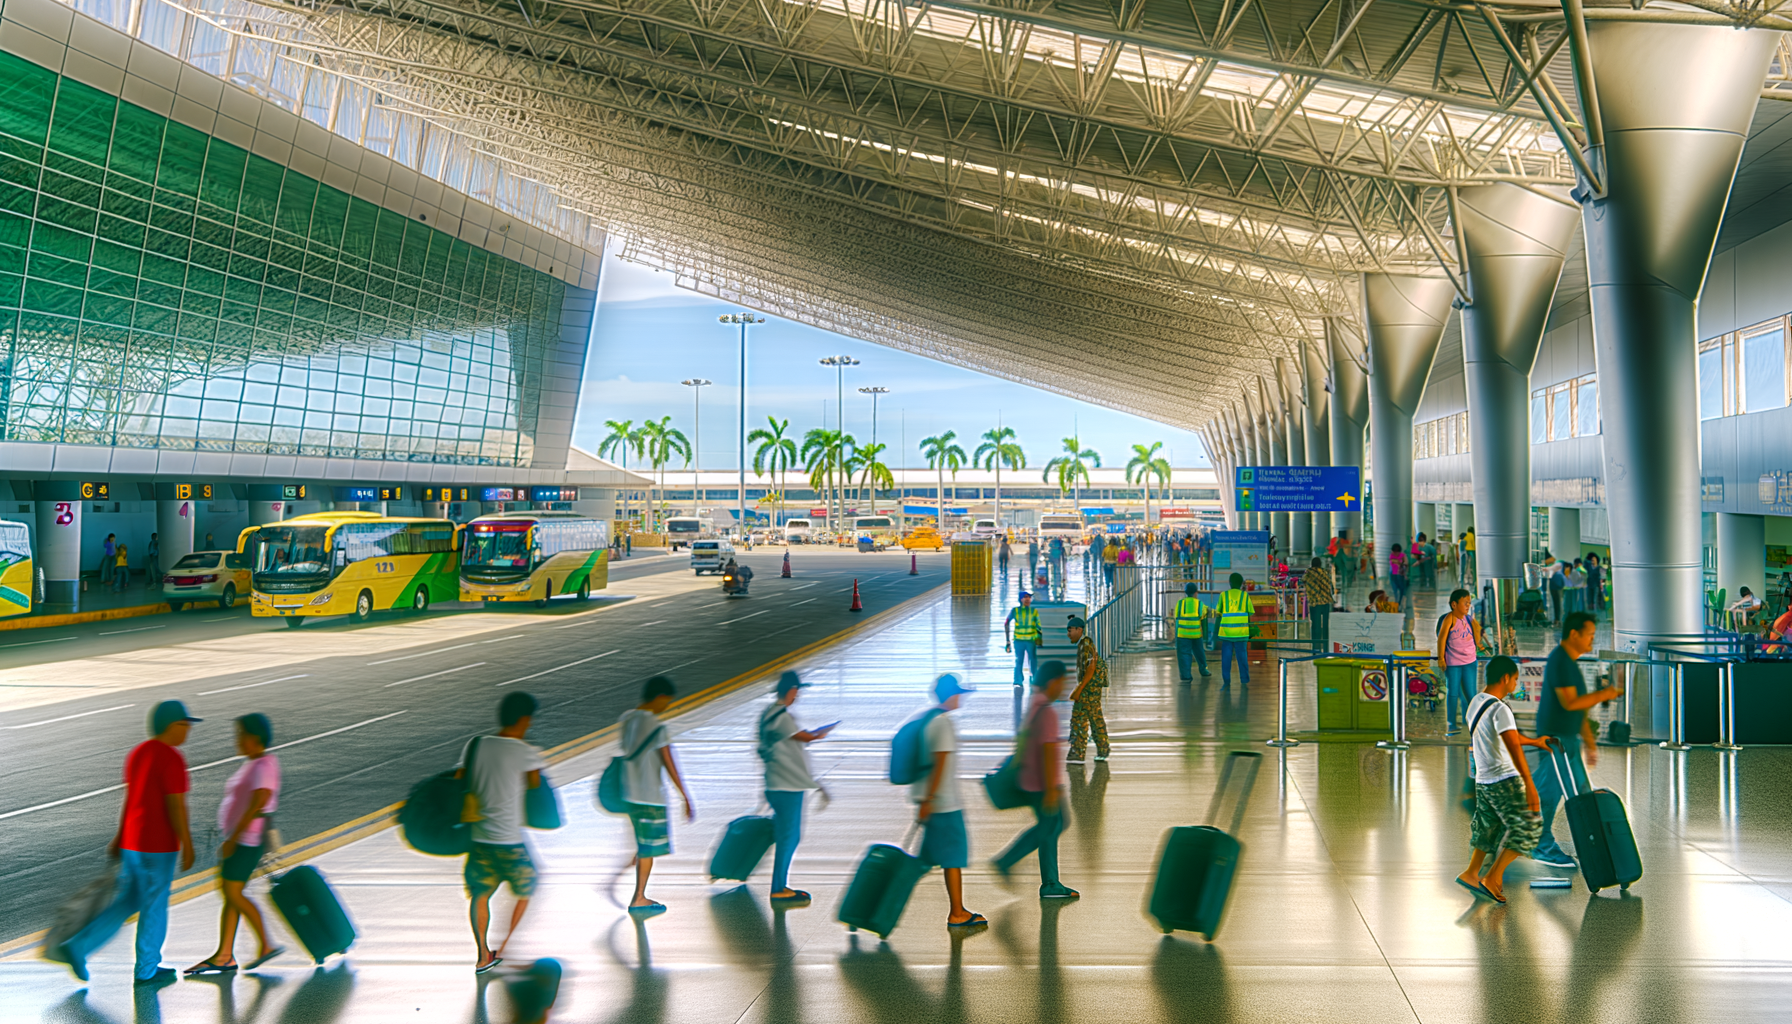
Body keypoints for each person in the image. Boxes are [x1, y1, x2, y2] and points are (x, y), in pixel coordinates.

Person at [48, 700, 200, 985]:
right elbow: (176, 806)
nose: (188, 728)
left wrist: (120, 837)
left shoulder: (138, 754)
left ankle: (79, 945)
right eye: (185, 723)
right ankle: (147, 970)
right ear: (171, 726)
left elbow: (132, 799)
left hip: (133, 843)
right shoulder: (171, 758)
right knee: (154, 906)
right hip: (158, 847)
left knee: (128, 901)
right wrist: (187, 844)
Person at [185, 714, 284, 976]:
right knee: (231, 895)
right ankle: (224, 956)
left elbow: (259, 801)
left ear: (254, 738)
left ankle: (265, 943)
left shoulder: (263, 765)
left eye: (240, 734)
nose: (236, 739)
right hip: (244, 840)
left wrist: (232, 838)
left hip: (245, 841)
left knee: (233, 894)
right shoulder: (257, 763)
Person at [459, 691, 547, 973]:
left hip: (479, 837)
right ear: (524, 719)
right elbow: (534, 784)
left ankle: (483, 955)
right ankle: (506, 948)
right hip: (509, 840)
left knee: (481, 892)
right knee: (527, 887)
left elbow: (462, 777)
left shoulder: (477, 744)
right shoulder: (524, 751)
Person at [1527, 611, 1623, 869]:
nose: (1592, 640)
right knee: (1548, 793)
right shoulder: (1560, 661)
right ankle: (1540, 845)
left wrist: (1589, 743)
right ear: (1574, 634)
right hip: (1555, 740)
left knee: (1581, 793)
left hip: (1568, 740)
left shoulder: (1570, 663)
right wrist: (1607, 693)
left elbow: (1578, 710)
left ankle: (1593, 846)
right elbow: (1570, 703)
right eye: (1590, 635)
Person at [1456, 656, 1551, 904]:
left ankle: (1471, 873)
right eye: (1516, 679)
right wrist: (1530, 785)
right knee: (1529, 828)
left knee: (1489, 828)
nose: (1516, 684)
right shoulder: (1501, 708)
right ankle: (1492, 877)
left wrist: (1535, 741)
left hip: (1483, 779)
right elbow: (1511, 745)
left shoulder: (1476, 702)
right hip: (1504, 779)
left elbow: (1504, 736)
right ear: (1505, 678)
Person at [992, 660, 1077, 899]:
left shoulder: (1035, 704)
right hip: (1041, 784)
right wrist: (1053, 788)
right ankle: (1007, 861)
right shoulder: (1047, 711)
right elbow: (1048, 752)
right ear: (1052, 682)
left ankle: (1051, 884)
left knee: (1051, 826)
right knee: (1054, 825)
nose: (1064, 686)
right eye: (1062, 681)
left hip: (1030, 779)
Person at [617, 676, 694, 917]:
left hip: (628, 794)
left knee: (643, 843)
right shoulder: (658, 728)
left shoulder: (627, 719)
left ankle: (637, 858)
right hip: (650, 797)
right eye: (667, 702)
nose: (667, 706)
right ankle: (639, 897)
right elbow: (670, 764)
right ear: (659, 698)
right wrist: (685, 796)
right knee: (649, 849)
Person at [913, 673, 984, 928]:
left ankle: (874, 901)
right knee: (953, 857)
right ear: (951, 695)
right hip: (944, 805)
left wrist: (925, 800)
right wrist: (930, 800)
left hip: (934, 802)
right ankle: (957, 913)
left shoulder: (929, 719)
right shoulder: (942, 723)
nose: (961, 698)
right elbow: (939, 763)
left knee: (920, 864)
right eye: (959, 693)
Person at [759, 671, 835, 907]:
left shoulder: (768, 714)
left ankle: (780, 885)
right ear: (791, 691)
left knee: (786, 834)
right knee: (789, 836)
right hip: (787, 786)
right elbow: (805, 737)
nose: (798, 696)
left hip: (775, 782)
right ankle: (778, 888)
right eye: (797, 691)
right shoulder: (782, 717)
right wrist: (822, 732)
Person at [1436, 589, 1487, 734]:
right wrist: (1441, 658)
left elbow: (1477, 637)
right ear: (1454, 604)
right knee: (1452, 693)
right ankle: (1451, 723)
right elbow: (1441, 638)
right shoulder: (1449, 619)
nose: (1468, 606)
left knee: (1470, 694)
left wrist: (1483, 647)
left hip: (1470, 661)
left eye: (1469, 603)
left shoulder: (1469, 619)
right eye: (1465, 603)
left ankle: (1470, 721)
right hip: (1453, 663)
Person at [1064, 616, 1109, 764]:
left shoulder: (1086, 643)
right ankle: (1080, 752)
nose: (1068, 634)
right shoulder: (1083, 644)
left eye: (1070, 630)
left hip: (1089, 688)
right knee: (1083, 717)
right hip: (1088, 687)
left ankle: (1096, 749)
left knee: (1090, 717)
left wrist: (1080, 688)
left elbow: (1092, 666)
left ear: (1079, 630)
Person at [1215, 572, 1253, 688]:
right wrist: (1250, 631)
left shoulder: (1223, 595)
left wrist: (1216, 633)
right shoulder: (1245, 595)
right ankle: (1244, 679)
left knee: (1226, 657)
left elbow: (1219, 614)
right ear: (1241, 584)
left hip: (1226, 633)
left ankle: (1226, 680)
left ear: (1229, 583)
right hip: (1241, 633)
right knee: (1242, 656)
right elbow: (1249, 614)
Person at [1172, 582, 1211, 681]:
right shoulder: (1199, 604)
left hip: (1182, 635)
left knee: (1184, 654)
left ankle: (1186, 676)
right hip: (1196, 634)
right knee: (1199, 653)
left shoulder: (1180, 603)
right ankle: (1204, 670)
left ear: (1186, 592)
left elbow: (1176, 617)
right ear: (1196, 593)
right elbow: (1204, 616)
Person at [1004, 591, 1041, 688]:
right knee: (1019, 660)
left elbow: (1038, 626)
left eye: (1029, 597)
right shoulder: (1015, 611)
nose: (1028, 599)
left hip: (1030, 640)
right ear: (1021, 599)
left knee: (1032, 660)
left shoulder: (1034, 611)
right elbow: (1006, 623)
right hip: (1019, 640)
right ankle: (1018, 680)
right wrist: (1008, 641)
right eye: (1025, 597)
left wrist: (1039, 639)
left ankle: (1034, 678)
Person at [1302, 557, 1334, 654]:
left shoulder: (1309, 573)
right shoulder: (1325, 572)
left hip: (1315, 602)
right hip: (1326, 601)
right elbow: (1330, 586)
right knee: (1325, 625)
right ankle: (1326, 647)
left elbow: (1303, 580)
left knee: (1315, 625)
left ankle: (1316, 648)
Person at [1388, 543, 1408, 610]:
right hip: (1393, 575)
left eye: (1396, 552)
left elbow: (1406, 563)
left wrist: (1400, 563)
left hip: (1400, 575)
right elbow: (1392, 561)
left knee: (1402, 590)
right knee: (1395, 590)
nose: (1395, 554)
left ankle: (1399, 603)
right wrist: (1400, 562)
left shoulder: (1403, 555)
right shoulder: (1391, 555)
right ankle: (1397, 603)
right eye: (1394, 552)